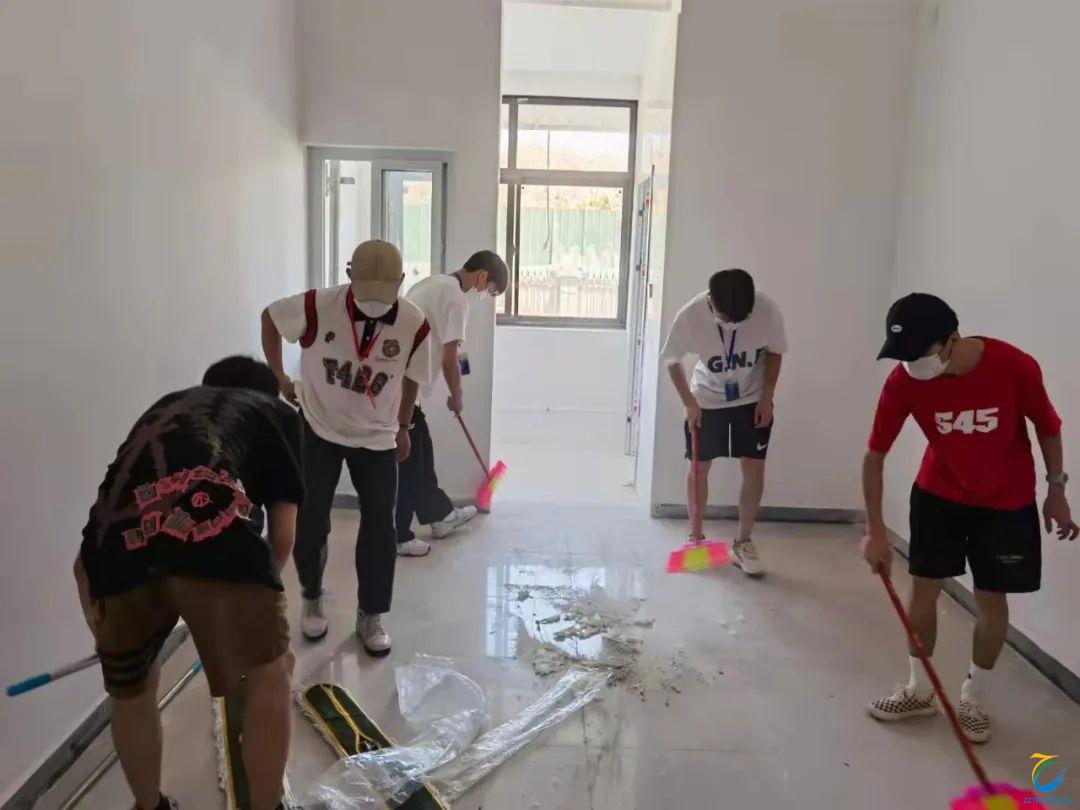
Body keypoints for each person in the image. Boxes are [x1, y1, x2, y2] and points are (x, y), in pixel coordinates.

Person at [76, 356, 303, 810]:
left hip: (110, 552)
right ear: (267, 392)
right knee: (271, 675)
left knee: (132, 687)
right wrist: (257, 623)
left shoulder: (169, 406)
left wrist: (110, 636)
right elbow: (281, 539)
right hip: (214, 535)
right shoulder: (278, 414)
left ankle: (149, 806)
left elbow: (88, 556)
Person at [861, 293, 1077, 743]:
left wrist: (1056, 490)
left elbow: (1047, 425)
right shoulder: (903, 381)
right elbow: (874, 456)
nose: (911, 365)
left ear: (952, 340)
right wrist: (875, 531)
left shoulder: (1014, 365)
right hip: (938, 495)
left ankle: (973, 697)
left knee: (992, 599)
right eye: (903, 356)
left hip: (1007, 501)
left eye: (919, 354)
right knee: (923, 588)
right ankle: (919, 690)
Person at [261, 240, 432, 651]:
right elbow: (270, 317)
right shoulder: (316, 306)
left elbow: (412, 376)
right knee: (310, 519)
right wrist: (279, 377)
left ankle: (371, 614)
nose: (372, 304)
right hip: (319, 427)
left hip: (377, 436)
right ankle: (312, 596)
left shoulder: (414, 322)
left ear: (401, 281)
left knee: (381, 526)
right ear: (349, 274)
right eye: (364, 290)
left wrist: (404, 426)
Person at [661, 268, 787, 576]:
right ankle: (695, 539)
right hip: (707, 399)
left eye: (740, 320)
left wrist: (767, 397)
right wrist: (689, 402)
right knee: (699, 467)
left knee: (753, 466)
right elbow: (671, 360)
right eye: (725, 320)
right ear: (711, 302)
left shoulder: (767, 310)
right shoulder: (690, 315)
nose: (732, 326)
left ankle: (743, 542)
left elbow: (775, 352)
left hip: (751, 397)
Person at [395, 250, 509, 557]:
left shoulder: (435, 284)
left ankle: (440, 515)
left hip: (399, 378)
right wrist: (456, 395)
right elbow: (448, 357)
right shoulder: (457, 299)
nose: (485, 296)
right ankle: (400, 535)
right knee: (411, 462)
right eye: (491, 291)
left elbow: (455, 350)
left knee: (420, 453)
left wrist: (461, 378)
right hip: (405, 383)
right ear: (482, 276)